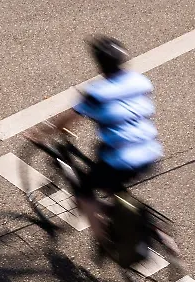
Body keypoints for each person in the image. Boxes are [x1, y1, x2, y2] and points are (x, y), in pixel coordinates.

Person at [25, 36, 164, 244]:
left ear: (100, 65)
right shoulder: (140, 81)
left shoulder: (97, 93)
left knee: (84, 195)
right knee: (106, 173)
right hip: (151, 151)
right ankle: (154, 230)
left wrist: (40, 134)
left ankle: (103, 240)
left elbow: (65, 121)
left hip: (121, 158)